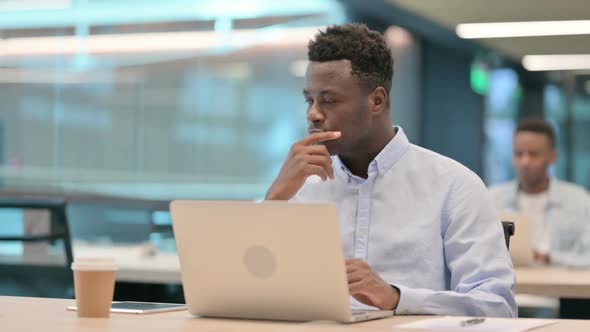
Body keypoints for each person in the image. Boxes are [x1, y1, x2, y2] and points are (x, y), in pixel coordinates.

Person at [265, 23, 516, 317]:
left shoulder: (455, 186)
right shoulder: (298, 186)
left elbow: (497, 307)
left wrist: (397, 298)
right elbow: (249, 287)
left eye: (329, 100)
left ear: (377, 100)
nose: (313, 114)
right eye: (310, 100)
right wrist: (275, 197)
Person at [489, 118, 590, 267]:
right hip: (510, 288)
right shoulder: (492, 198)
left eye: (533, 154)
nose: (525, 162)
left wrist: (549, 258)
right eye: (519, 154)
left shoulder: (579, 200)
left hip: (563, 288)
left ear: (552, 157)